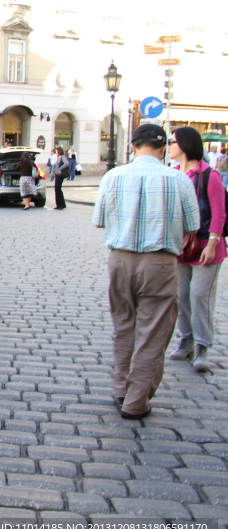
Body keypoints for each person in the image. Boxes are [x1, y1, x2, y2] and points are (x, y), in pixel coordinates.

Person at [92, 123, 200, 419]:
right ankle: (136, 401)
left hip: (121, 260)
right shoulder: (178, 180)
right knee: (152, 333)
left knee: (123, 325)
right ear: (164, 147)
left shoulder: (113, 176)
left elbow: (99, 218)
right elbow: (193, 226)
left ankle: (120, 389)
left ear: (133, 146)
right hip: (160, 262)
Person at [166, 126, 225, 373]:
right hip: (180, 246)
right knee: (181, 296)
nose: (168, 145)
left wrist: (212, 243)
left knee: (200, 295)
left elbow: (219, 213)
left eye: (172, 141)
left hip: (204, 246)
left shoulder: (210, 175)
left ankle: (202, 346)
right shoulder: (172, 173)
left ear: (186, 145)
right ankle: (186, 340)